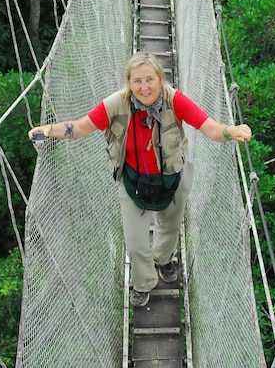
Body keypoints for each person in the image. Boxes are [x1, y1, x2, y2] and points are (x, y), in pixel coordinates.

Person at [27, 51, 252, 307]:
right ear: (129, 82)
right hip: (133, 180)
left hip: (173, 176)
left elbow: (209, 128)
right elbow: (80, 128)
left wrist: (229, 131)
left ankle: (164, 259)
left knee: (170, 226)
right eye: (137, 81)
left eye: (150, 79)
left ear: (160, 78)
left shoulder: (175, 100)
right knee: (135, 240)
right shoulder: (116, 104)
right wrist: (49, 130)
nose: (144, 87)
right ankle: (144, 282)